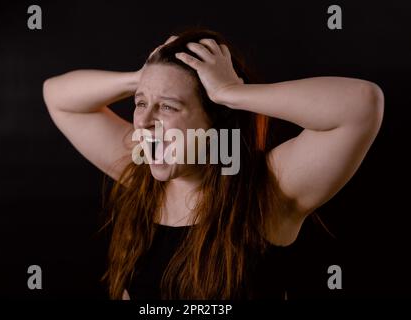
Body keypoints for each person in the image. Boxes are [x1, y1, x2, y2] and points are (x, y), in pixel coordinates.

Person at [42, 28, 384, 300]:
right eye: (140, 103)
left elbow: (361, 104)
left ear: (213, 123)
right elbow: (57, 96)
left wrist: (229, 92)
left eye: (168, 108)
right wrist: (144, 77)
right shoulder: (141, 172)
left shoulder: (270, 190)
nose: (143, 123)